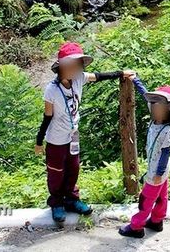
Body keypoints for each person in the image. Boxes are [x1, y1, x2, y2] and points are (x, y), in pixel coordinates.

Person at [35, 41, 134, 226]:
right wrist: (39, 141)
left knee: (73, 167)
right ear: (60, 67)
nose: (73, 69)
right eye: (69, 65)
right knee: (56, 171)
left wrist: (121, 73)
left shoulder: (80, 78)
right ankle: (56, 203)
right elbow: (47, 117)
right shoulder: (52, 90)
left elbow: (99, 76)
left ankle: (72, 200)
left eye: (77, 64)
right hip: (56, 138)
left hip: (73, 134)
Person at [118, 76, 170, 239]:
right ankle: (156, 221)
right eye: (154, 104)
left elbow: (166, 152)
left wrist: (158, 174)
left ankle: (136, 226)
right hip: (160, 171)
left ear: (169, 110)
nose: (154, 107)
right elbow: (146, 93)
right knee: (162, 197)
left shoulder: (167, 130)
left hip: (158, 170)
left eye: (159, 105)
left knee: (145, 199)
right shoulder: (155, 119)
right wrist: (135, 80)